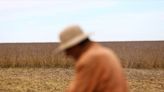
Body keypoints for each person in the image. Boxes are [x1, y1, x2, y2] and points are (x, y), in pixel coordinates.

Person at [57, 25, 128, 92]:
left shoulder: (90, 59)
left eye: (68, 49)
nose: (67, 54)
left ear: (76, 45)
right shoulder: (105, 52)